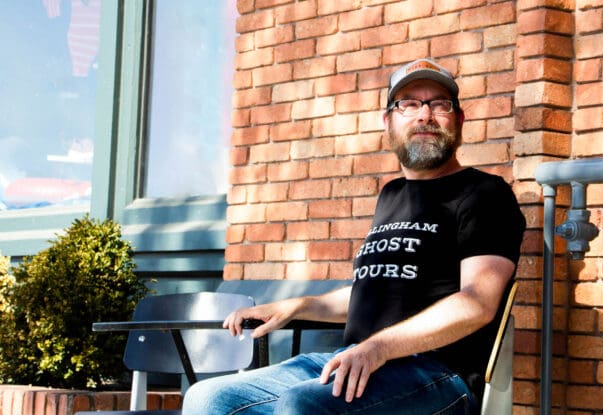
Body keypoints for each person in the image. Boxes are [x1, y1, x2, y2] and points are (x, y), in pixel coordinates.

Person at [182, 58, 527, 415]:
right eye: (408, 104)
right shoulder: (392, 195)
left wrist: (378, 348)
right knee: (207, 399)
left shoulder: (485, 194)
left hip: (434, 373)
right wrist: (301, 305)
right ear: (388, 123)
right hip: (354, 361)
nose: (424, 115)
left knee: (303, 404)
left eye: (439, 104)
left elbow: (477, 304)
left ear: (459, 119)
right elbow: (375, 288)